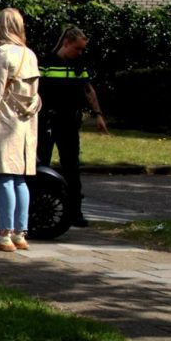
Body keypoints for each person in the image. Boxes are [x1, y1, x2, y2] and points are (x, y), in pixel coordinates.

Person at [0, 8, 41, 252]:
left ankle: (3, 233)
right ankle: (19, 232)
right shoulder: (30, 54)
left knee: (3, 176)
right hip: (24, 123)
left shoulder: (1, 53)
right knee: (19, 178)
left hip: (3, 122)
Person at [38, 26, 107, 227]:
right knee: (42, 164)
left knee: (72, 167)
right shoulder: (47, 63)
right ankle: (41, 207)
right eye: (77, 48)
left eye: (82, 49)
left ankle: (75, 211)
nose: (80, 53)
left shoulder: (79, 64)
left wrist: (98, 114)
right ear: (66, 43)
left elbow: (87, 89)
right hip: (48, 123)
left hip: (69, 123)